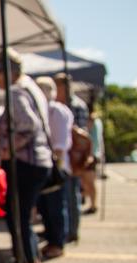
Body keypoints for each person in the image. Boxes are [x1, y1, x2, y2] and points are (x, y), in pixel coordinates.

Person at [0, 48, 52, 263]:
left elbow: (28, 125)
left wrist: (8, 149)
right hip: (39, 162)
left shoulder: (16, 91)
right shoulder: (32, 88)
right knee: (23, 218)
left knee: (17, 219)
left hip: (26, 163)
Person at [35, 76, 73, 259]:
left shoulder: (55, 110)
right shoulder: (47, 110)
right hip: (49, 166)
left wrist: (54, 169)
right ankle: (53, 240)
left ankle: (57, 243)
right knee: (47, 208)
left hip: (55, 167)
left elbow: (59, 144)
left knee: (55, 207)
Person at [53, 73, 84, 241]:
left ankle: (72, 231)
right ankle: (66, 231)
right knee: (63, 197)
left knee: (72, 195)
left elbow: (79, 134)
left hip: (72, 157)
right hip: (64, 157)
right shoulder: (60, 105)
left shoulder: (76, 105)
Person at [82, 111, 104, 214]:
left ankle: (93, 204)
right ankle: (92, 203)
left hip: (91, 154)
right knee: (88, 182)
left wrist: (90, 155)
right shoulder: (98, 121)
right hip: (95, 154)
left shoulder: (93, 121)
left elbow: (90, 139)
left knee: (89, 182)